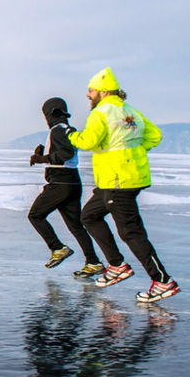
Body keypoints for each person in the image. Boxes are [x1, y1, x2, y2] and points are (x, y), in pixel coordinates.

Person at [69, 67, 179, 303]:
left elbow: (87, 141)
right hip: (124, 178)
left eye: (91, 90)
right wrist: (133, 152)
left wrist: (70, 135)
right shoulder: (130, 111)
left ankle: (162, 281)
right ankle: (117, 265)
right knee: (89, 216)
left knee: (131, 232)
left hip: (118, 181)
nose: (88, 95)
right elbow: (155, 135)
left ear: (103, 91)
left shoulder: (101, 113)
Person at [27, 97, 102, 278]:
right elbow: (63, 152)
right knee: (76, 226)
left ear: (51, 114)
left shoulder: (57, 131)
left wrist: (41, 159)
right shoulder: (69, 130)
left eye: (46, 114)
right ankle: (93, 262)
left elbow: (65, 154)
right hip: (72, 181)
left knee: (35, 215)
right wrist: (44, 153)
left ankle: (58, 248)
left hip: (60, 182)